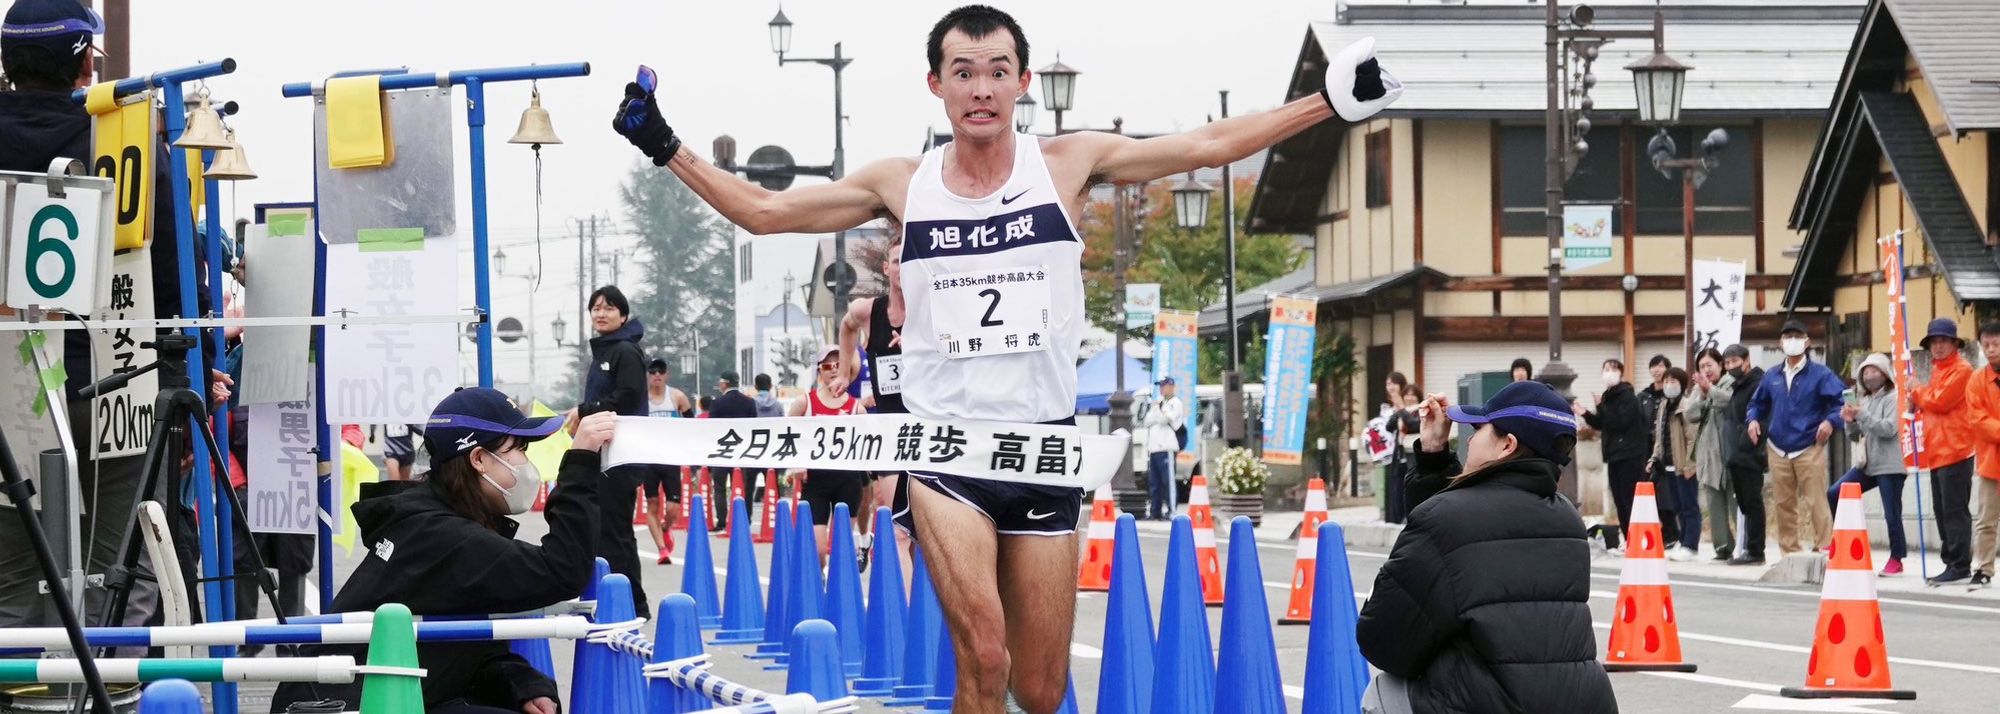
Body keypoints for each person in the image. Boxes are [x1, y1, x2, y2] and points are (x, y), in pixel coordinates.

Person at [612, 5, 1401, 709]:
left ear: (1022, 82)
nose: (981, 88)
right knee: (983, 655)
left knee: (1040, 688)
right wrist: (664, 143)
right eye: (964, 72)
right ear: (937, 84)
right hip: (946, 450)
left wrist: (1325, 102)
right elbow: (766, 211)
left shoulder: (1064, 164)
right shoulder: (904, 182)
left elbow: (1204, 145)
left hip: (1043, 449)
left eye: (997, 72)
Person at [0, 0, 232, 632]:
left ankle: (16, 690)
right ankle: (114, 691)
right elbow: (175, 272)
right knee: (118, 565)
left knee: (13, 569)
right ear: (83, 61)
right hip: (119, 374)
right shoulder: (121, 130)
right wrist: (196, 370)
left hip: (8, 384)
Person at [272, 389, 612, 714]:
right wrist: (580, 464)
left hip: (389, 695)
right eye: (518, 449)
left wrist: (524, 686)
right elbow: (561, 572)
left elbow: (465, 646)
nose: (526, 463)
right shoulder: (441, 536)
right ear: (479, 459)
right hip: (343, 704)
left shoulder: (437, 522)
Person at [1356, 381, 1615, 714]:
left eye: (1479, 428)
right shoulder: (1567, 519)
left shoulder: (1448, 519)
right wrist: (1434, 457)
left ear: (1507, 445)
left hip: (1491, 704)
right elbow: (1461, 534)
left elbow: (1385, 641)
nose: (1470, 438)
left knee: (1383, 691)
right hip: (1583, 703)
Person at [574, 285, 649, 612]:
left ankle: (630, 602)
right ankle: (624, 600)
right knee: (605, 529)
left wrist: (584, 411)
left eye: (609, 308)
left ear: (624, 315)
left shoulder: (625, 351)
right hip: (603, 454)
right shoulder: (604, 351)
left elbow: (628, 398)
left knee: (615, 531)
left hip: (620, 456)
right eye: (596, 308)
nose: (601, 314)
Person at [1745, 320, 1846, 559]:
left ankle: (1824, 546)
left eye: (1797, 336)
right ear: (1780, 343)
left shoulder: (1821, 374)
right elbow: (1757, 403)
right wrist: (1753, 420)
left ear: (1807, 341)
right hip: (1777, 447)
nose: (1792, 341)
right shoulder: (1772, 376)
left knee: (1816, 500)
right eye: (1787, 336)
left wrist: (1831, 421)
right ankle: (1789, 551)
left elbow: (1843, 401)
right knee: (1783, 503)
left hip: (1809, 445)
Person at [840, 233, 911, 568]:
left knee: (931, 533)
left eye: (909, 260)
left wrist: (920, 345)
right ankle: (911, 616)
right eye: (897, 261)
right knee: (899, 530)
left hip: (933, 431)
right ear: (886, 268)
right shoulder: (869, 311)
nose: (902, 268)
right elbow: (847, 325)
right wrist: (843, 373)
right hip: (891, 432)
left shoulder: (934, 312)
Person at [1902, 317, 1977, 584]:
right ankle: (1951, 561)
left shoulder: (1962, 370)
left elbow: (1941, 401)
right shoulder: (1938, 371)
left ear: (1955, 343)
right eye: (1934, 341)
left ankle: (1960, 564)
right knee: (1942, 509)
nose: (1938, 346)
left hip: (1956, 450)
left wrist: (1917, 391)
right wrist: (1917, 400)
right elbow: (1932, 402)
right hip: (1938, 451)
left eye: (1943, 340)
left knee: (1954, 510)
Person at [1832, 352, 1908, 577]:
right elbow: (1856, 435)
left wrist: (1862, 415)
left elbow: (1888, 429)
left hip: (1890, 464)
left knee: (1891, 512)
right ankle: (1842, 542)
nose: (1870, 376)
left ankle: (1897, 558)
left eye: (1875, 371)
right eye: (1866, 372)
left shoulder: (1893, 398)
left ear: (1885, 374)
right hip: (1867, 463)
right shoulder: (1864, 400)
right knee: (1835, 492)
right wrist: (1850, 421)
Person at [789, 345, 866, 560]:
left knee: (842, 546)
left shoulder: (857, 409)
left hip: (848, 480)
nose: (833, 370)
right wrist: (796, 464)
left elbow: (869, 445)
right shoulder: (805, 402)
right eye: (826, 366)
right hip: (815, 481)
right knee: (819, 549)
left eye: (838, 365)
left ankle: (840, 589)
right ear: (819, 371)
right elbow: (786, 435)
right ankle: (819, 581)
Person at [1576, 359, 1649, 545]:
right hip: (1614, 455)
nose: (1609, 372)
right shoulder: (1608, 397)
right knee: (1619, 500)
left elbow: (1619, 422)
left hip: (1630, 454)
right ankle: (1629, 538)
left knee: (1629, 498)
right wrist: (1584, 413)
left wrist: (1600, 406)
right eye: (1606, 369)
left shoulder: (1628, 397)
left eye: (1613, 369)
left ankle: (1636, 537)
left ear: (1621, 374)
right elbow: (1602, 423)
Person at [1684, 347, 1739, 562]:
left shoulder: (1730, 382)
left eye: (1710, 365)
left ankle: (1745, 543)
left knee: (1735, 503)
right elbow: (1690, 414)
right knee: (1714, 503)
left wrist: (1711, 390)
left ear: (1720, 365)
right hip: (1709, 454)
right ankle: (1723, 547)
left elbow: (1730, 402)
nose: (1706, 370)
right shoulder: (1699, 389)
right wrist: (1703, 393)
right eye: (1702, 367)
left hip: (1729, 451)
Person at [642, 358, 693, 565]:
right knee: (652, 504)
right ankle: (662, 549)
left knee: (673, 508)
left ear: (666, 375)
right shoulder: (641, 400)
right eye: (653, 371)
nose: (656, 375)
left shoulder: (676, 397)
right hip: (648, 458)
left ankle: (666, 528)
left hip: (671, 457)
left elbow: (693, 426)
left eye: (660, 371)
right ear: (648, 375)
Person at [1961, 322, 2000, 589]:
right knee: (1986, 520)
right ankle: (1984, 568)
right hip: (1991, 462)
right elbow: (1976, 418)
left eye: (1996, 344)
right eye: (1986, 345)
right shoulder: (1977, 380)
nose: (1991, 349)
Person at [1721, 344, 1768, 565]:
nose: (1731, 366)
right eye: (1727, 363)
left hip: (1749, 452)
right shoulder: (1738, 385)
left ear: (1746, 360)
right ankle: (1749, 548)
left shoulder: (1758, 383)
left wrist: (1744, 444)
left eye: (1735, 362)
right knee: (1745, 503)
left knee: (1752, 501)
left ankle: (1756, 550)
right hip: (1736, 453)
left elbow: (1759, 418)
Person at [1651, 367, 1699, 561]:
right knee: (1677, 505)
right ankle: (1683, 539)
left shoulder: (1686, 406)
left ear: (1682, 384)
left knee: (1689, 506)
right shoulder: (1664, 405)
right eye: (1667, 380)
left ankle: (1691, 545)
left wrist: (1690, 464)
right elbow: (1659, 437)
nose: (1669, 384)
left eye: (1674, 381)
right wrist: (1654, 458)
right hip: (1668, 464)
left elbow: (1693, 438)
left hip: (1683, 464)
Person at [707, 371, 762, 527]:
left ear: (725, 383)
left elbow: (711, 429)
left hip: (721, 451)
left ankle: (722, 521)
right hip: (743, 451)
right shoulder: (749, 402)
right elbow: (754, 427)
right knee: (743, 487)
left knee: (719, 488)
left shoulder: (717, 403)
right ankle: (744, 518)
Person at [1141, 377, 1186, 520]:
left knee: (1168, 481)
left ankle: (1172, 510)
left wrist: (1158, 411)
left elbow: (1165, 419)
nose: (1161, 388)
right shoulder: (1159, 403)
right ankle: (1155, 511)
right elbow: (1147, 421)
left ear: (1171, 386)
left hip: (1167, 447)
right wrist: (1157, 410)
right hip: (1154, 448)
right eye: (1160, 386)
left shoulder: (1175, 403)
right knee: (1154, 482)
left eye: (1163, 385)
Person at [1381, 373, 1422, 525]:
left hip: (1413, 456)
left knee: (1411, 488)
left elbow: (1413, 424)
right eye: (1407, 395)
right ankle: (1397, 518)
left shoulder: (1421, 411)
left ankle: (1411, 517)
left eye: (1413, 395)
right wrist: (1398, 410)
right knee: (1397, 489)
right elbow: (1389, 427)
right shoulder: (1400, 412)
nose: (1410, 398)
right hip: (1399, 456)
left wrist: (1402, 409)